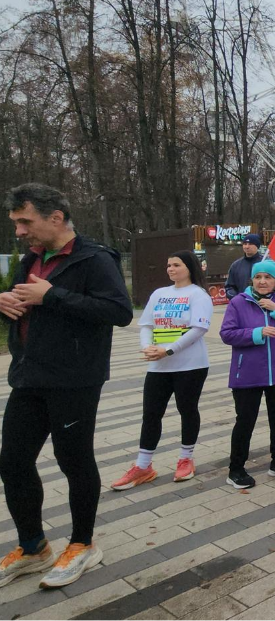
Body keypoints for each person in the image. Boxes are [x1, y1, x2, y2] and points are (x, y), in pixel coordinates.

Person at [0, 183, 133, 589]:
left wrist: (52, 295)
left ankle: (82, 544)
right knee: (12, 462)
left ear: (55, 217)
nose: (19, 231)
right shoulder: (32, 259)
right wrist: (5, 303)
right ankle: (33, 547)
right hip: (28, 375)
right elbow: (28, 307)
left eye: (25, 222)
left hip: (74, 379)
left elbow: (119, 311)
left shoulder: (95, 258)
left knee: (73, 460)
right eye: (16, 223)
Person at [110, 251, 213, 492]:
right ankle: (143, 465)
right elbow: (146, 324)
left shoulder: (199, 295)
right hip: (158, 366)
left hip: (191, 365)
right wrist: (147, 348)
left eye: (176, 265)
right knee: (151, 414)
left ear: (189, 267)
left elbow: (198, 329)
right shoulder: (159, 294)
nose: (171, 269)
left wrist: (168, 350)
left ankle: (185, 458)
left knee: (187, 410)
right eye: (168, 265)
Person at [220, 260, 275, 489]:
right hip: (247, 375)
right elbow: (227, 334)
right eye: (258, 277)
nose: (263, 281)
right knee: (245, 421)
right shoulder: (238, 302)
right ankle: (236, 469)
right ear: (252, 280)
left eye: (268, 277)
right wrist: (257, 333)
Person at [224, 233, 263, 299]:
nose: (247, 247)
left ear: (257, 246)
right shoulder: (236, 265)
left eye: (250, 244)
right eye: (245, 244)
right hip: (241, 302)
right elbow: (229, 286)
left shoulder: (265, 263)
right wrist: (235, 298)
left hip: (262, 303)